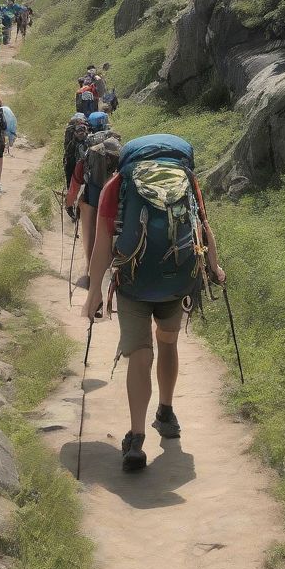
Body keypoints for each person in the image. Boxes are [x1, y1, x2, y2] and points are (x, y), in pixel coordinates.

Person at [82, 135, 225, 473]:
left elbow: (103, 242)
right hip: (175, 279)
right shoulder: (186, 179)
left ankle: (135, 437)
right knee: (168, 342)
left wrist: (94, 293)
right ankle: (166, 411)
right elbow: (202, 225)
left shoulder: (118, 185)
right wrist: (215, 268)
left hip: (133, 282)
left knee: (140, 355)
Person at [65, 112, 119, 288]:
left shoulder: (86, 159)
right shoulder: (117, 155)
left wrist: (69, 205)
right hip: (116, 206)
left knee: (92, 239)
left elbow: (74, 185)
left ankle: (91, 273)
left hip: (92, 204)